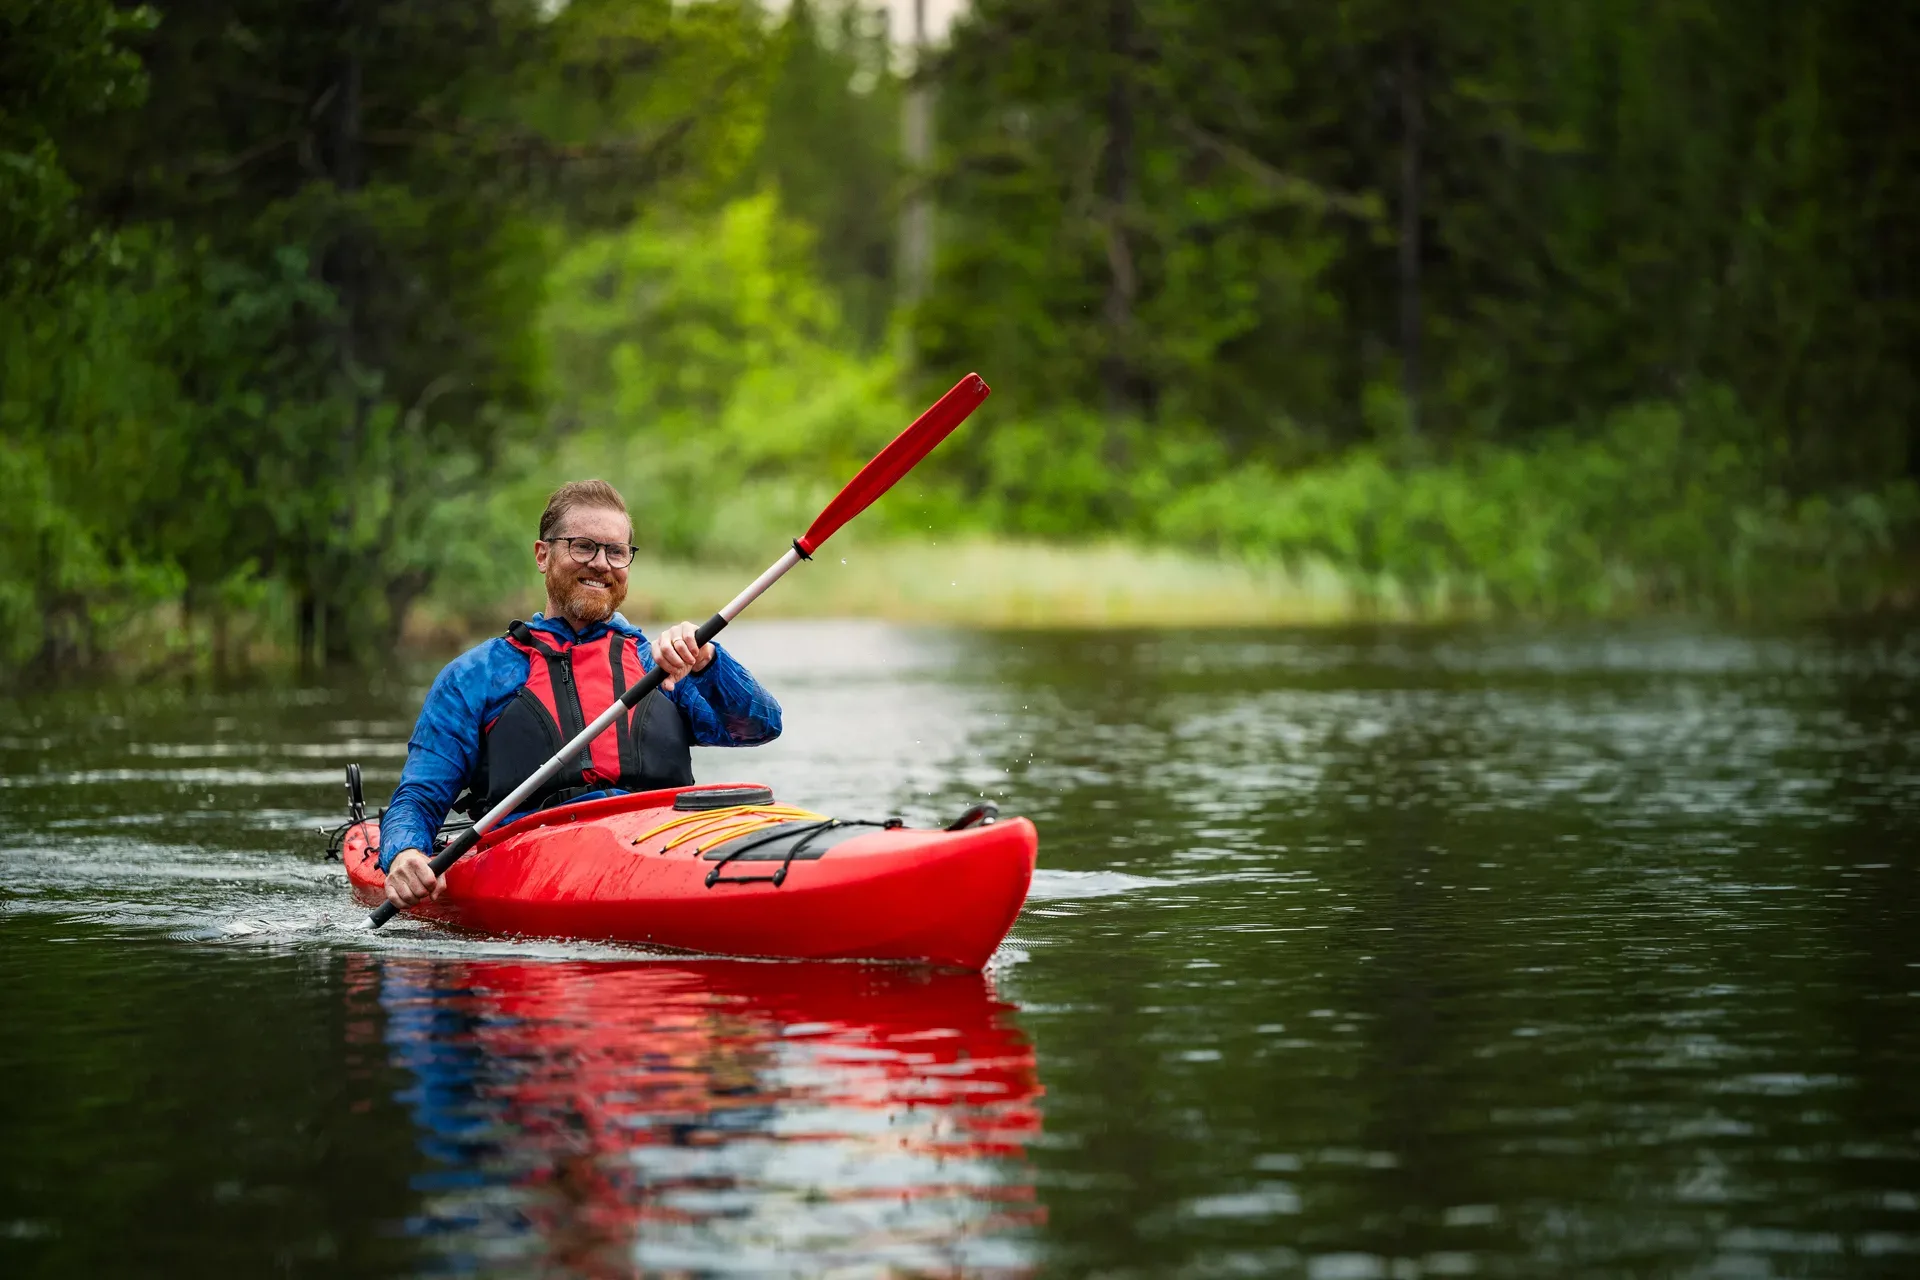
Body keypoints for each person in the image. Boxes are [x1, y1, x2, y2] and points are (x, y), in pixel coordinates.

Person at [379, 479, 782, 909]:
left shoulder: (662, 664)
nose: (602, 564)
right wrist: (404, 853)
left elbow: (759, 727)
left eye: (616, 552)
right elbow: (419, 798)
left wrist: (707, 661)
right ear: (542, 555)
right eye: (584, 547)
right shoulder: (476, 676)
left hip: (667, 840)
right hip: (536, 859)